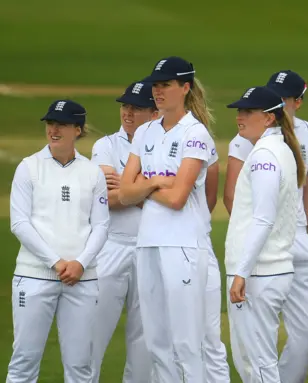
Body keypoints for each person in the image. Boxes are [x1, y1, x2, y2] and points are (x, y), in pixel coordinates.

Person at [118, 56, 227, 382]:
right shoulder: (145, 132)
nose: (158, 90)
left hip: (183, 246)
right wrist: (153, 183)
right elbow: (124, 193)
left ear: (185, 87)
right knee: (157, 343)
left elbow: (179, 198)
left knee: (186, 342)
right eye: (156, 84)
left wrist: (142, 186)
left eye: (166, 84)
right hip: (148, 243)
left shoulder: (196, 134)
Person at [223, 69, 308, 382]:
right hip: (268, 269)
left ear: (268, 119)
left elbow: (264, 218)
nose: (240, 117)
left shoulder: (265, 154)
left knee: (257, 363)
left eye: (248, 112)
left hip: (259, 272)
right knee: (258, 362)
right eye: (240, 111)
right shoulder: (278, 148)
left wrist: (241, 271)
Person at [7, 100, 109, 382]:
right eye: (50, 123)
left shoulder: (92, 172)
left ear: (77, 129)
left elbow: (101, 225)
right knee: (24, 361)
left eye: (61, 124)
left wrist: (80, 263)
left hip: (82, 279)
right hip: (34, 276)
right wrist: (56, 262)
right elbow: (20, 223)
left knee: (80, 366)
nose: (53, 129)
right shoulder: (28, 168)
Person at [89, 81, 157, 382]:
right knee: (91, 335)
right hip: (110, 248)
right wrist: (150, 189)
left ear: (154, 112)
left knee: (145, 341)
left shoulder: (165, 147)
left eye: (137, 107)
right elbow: (103, 200)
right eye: (125, 106)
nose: (128, 112)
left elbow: (177, 201)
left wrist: (126, 188)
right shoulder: (105, 146)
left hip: (150, 248)